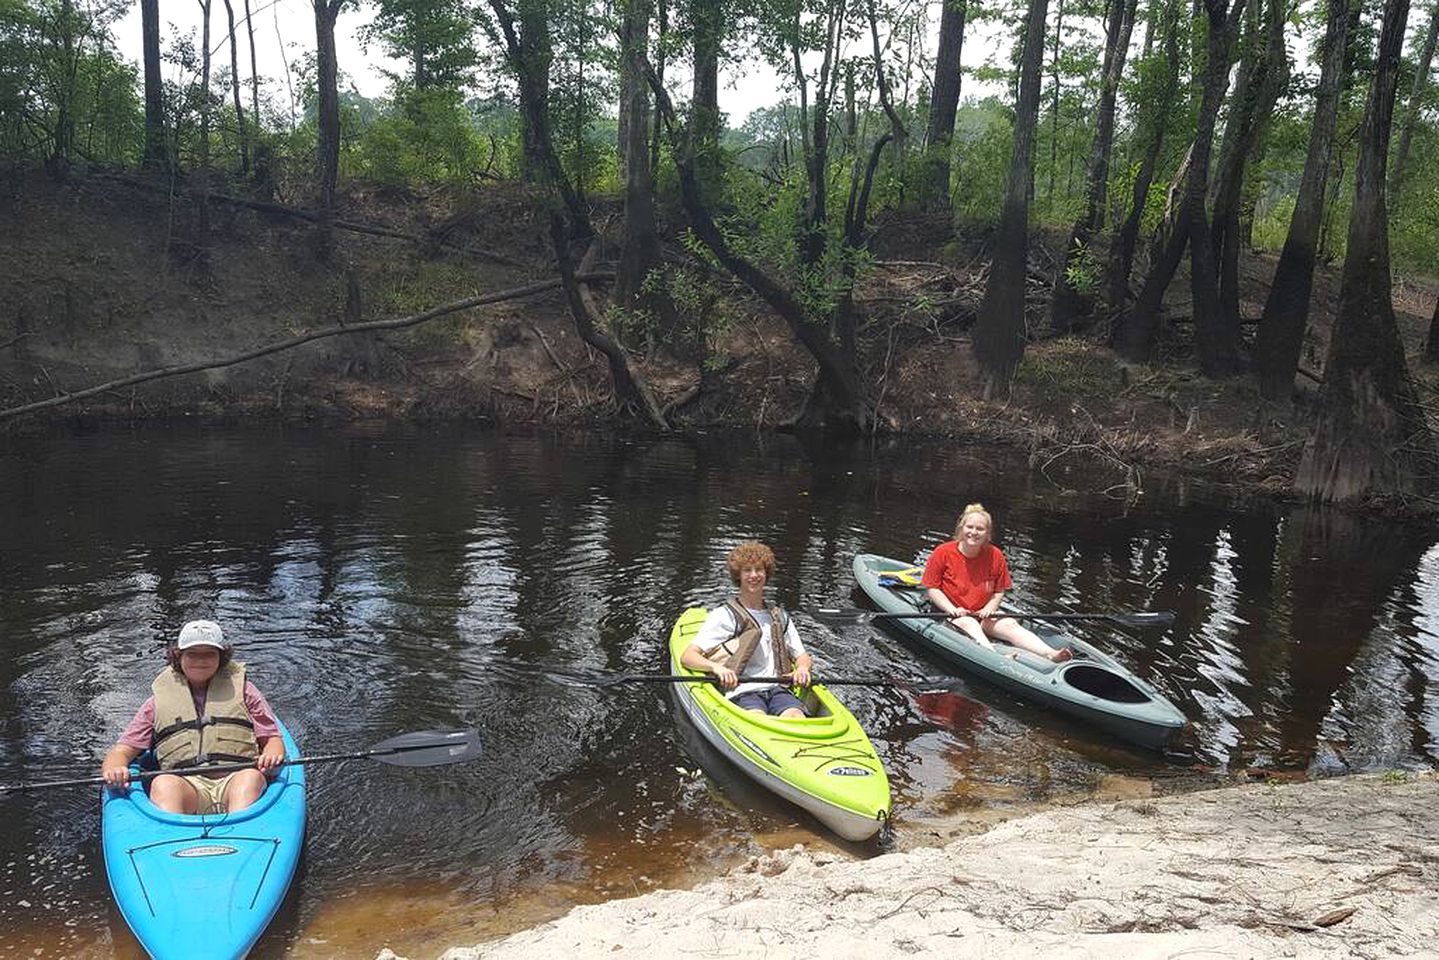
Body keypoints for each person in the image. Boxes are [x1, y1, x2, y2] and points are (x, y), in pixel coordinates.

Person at [101, 620, 285, 814]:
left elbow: (272, 738)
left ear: (221, 658)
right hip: (187, 788)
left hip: (236, 782)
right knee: (163, 783)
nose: (200, 661)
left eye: (209, 654)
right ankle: (174, 837)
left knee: (250, 777)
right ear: (178, 657)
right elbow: (122, 751)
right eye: (192, 654)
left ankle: (239, 834)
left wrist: (272, 754)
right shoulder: (155, 704)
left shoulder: (245, 692)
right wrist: (115, 768)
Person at [921, 503, 1073, 663]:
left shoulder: (995, 555)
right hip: (951, 615)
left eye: (980, 529)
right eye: (969, 527)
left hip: (982, 614)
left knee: (1008, 623)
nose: (973, 532)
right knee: (969, 623)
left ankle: (1050, 653)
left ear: (987, 533)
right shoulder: (943, 552)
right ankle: (994, 657)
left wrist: (989, 608)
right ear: (961, 529)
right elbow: (933, 588)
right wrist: (952, 609)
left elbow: (999, 591)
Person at [681, 541, 815, 718]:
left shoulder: (779, 616)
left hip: (777, 689)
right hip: (742, 691)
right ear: (739, 576)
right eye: (747, 570)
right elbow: (688, 656)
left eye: (759, 569)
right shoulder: (725, 616)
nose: (754, 575)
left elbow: (802, 656)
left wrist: (803, 669)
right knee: (757, 719)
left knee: (796, 716)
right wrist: (716, 668)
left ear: (766, 573)